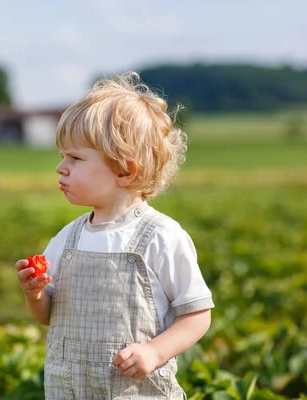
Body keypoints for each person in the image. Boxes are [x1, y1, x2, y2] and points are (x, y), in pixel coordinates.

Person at [16, 72, 214, 399]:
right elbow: (48, 316)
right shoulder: (68, 239)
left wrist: (155, 352)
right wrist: (35, 294)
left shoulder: (161, 237)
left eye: (75, 158)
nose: (60, 168)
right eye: (62, 156)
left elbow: (196, 316)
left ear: (125, 170)